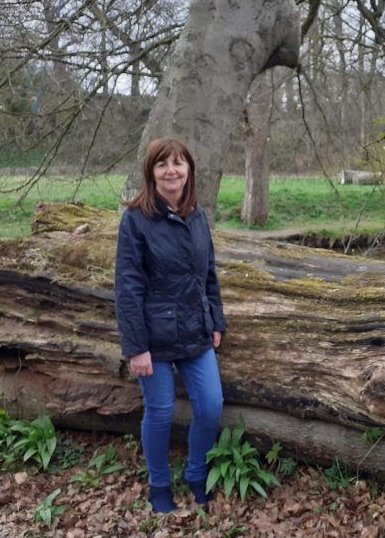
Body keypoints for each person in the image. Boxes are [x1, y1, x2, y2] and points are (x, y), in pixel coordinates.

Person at [115, 137, 226, 513]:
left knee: (211, 405)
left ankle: (197, 474)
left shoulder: (197, 215)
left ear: (188, 170)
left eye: (178, 163)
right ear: (152, 172)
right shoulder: (135, 220)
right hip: (153, 337)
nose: (171, 171)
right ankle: (159, 486)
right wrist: (136, 347)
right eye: (163, 164)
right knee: (160, 412)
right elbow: (127, 287)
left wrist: (216, 320)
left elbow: (208, 274)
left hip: (196, 330)